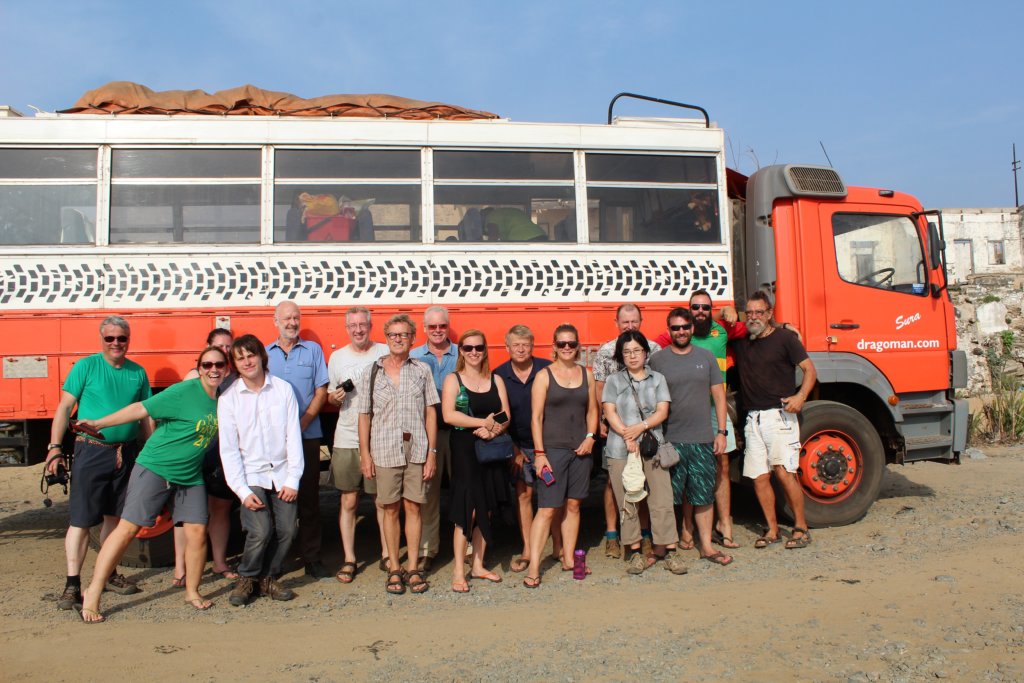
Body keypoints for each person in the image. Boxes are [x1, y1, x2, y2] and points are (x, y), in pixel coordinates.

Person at [76, 345, 227, 622]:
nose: (213, 369)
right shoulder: (184, 392)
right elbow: (140, 409)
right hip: (156, 467)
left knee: (196, 532)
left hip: (189, 474)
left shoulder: (223, 400)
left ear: (226, 368)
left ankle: (192, 591)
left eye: (219, 364)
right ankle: (94, 591)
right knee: (128, 528)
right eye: (207, 365)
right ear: (200, 367)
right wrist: (99, 423)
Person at [45, 316, 152, 611]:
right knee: (80, 521)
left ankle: (108, 574)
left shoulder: (138, 373)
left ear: (129, 340)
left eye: (122, 338)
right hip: (91, 451)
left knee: (114, 520)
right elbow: (65, 407)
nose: (116, 343)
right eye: (110, 338)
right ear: (101, 339)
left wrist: (151, 450)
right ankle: (72, 584)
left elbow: (145, 415)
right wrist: (54, 448)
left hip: (126, 453)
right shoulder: (86, 367)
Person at [219, 335, 304, 606]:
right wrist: (242, 491)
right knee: (260, 531)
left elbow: (293, 436)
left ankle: (268, 577)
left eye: (251, 355)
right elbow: (229, 450)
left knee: (289, 530)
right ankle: (248, 578)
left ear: (261, 356)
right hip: (250, 474)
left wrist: (293, 479)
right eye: (240, 358)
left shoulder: (282, 390)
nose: (247, 362)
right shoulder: (229, 398)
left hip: (281, 473)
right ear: (235, 364)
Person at [359, 314, 439, 595]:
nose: (398, 339)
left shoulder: (422, 370)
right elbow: (364, 416)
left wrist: (431, 452)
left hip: (416, 449)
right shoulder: (371, 372)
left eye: (404, 335)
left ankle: (413, 568)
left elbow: (431, 412)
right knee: (389, 509)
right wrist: (365, 455)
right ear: (386, 337)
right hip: (383, 450)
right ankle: (394, 567)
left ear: (412, 338)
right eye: (393, 335)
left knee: (414, 507)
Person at [734, 290, 817, 550]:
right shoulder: (742, 340)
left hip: (780, 417)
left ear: (769, 314)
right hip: (753, 418)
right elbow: (721, 319)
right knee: (759, 477)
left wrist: (801, 396)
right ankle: (772, 529)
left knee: (783, 473)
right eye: (750, 313)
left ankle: (801, 528)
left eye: (760, 312)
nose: (754, 317)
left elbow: (809, 370)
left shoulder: (785, 339)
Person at [650, 307, 733, 567]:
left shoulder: (706, 357)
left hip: (701, 438)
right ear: (669, 330)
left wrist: (721, 432)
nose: (681, 331)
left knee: (703, 494)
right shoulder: (658, 360)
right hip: (669, 440)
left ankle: (706, 546)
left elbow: (719, 396)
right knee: (666, 496)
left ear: (692, 328)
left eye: (685, 327)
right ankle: (663, 545)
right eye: (676, 328)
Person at [601, 331, 686, 575]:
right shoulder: (613, 381)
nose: (632, 356)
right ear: (621, 355)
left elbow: (662, 411)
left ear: (645, 352)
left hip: (653, 446)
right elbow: (609, 411)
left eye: (636, 350)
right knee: (628, 501)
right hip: (620, 449)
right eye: (626, 352)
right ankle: (635, 552)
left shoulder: (658, 378)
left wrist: (639, 428)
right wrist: (627, 435)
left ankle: (669, 550)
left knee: (661, 499)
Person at [523, 324, 598, 588]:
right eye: (562, 343)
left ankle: (570, 559)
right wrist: (540, 454)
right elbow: (536, 418)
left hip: (581, 450)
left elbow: (592, 411)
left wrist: (590, 438)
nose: (567, 348)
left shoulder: (586, 375)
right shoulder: (544, 376)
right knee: (546, 509)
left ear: (578, 346)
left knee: (574, 506)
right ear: (554, 347)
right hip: (552, 451)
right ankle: (533, 567)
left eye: (572, 343)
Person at [441, 330, 512, 593]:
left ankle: (478, 565)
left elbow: (506, 415)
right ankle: (459, 570)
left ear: (485, 350)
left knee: (488, 506)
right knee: (466, 509)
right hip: (464, 449)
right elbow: (449, 416)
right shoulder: (453, 380)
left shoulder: (496, 379)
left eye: (479, 348)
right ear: (460, 351)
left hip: (491, 448)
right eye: (468, 348)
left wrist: (493, 430)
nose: (474, 352)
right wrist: (484, 423)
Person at [266, 301, 329, 579]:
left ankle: (312, 558)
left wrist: (301, 423)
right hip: (274, 442)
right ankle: (278, 559)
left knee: (310, 500)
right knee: (277, 500)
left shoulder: (313, 351)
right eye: (287, 318)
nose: (292, 322)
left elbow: (321, 391)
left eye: (296, 318)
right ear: (275, 321)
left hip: (307, 437)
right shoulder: (265, 354)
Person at [592, 304, 661, 560]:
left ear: (641, 321)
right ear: (616, 323)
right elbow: (598, 389)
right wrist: (601, 420)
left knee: (642, 482)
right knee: (612, 482)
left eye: (634, 321)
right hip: (616, 428)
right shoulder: (606, 352)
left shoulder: (654, 349)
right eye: (625, 322)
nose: (630, 326)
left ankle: (644, 535)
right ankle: (613, 535)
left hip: (645, 429)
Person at [327, 307, 389, 583]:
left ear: (371, 326)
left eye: (363, 325)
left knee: (381, 500)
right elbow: (330, 396)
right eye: (353, 326)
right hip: (347, 436)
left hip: (380, 436)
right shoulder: (337, 357)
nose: (358, 330)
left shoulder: (385, 352)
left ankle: (388, 553)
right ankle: (350, 558)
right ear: (347, 328)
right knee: (349, 499)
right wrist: (335, 397)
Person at [492, 324, 561, 573]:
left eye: (525, 344)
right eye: (515, 345)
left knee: (551, 497)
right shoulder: (498, 376)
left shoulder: (547, 370)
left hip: (547, 444)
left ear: (532, 346)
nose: (520, 349)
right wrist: (513, 449)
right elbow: (499, 416)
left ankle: (558, 546)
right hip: (518, 446)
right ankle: (528, 551)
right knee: (524, 496)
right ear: (507, 347)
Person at [173, 328, 238, 586]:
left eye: (227, 347)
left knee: (220, 508)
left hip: (220, 451)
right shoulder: (192, 377)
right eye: (218, 346)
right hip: (193, 451)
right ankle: (181, 567)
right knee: (185, 513)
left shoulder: (234, 378)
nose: (223, 350)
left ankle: (219, 561)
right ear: (207, 347)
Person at [410, 305, 458, 572]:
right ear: (424, 329)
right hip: (426, 435)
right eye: (432, 327)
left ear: (447, 326)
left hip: (459, 433)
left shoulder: (463, 353)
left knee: (464, 489)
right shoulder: (414, 356)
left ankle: (468, 547)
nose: (438, 331)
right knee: (428, 493)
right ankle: (428, 549)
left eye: (442, 326)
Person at [481, 206, 547, 242]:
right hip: (540, 235)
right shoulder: (505, 212)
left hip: (523, 239)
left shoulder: (491, 216)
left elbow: (493, 237)